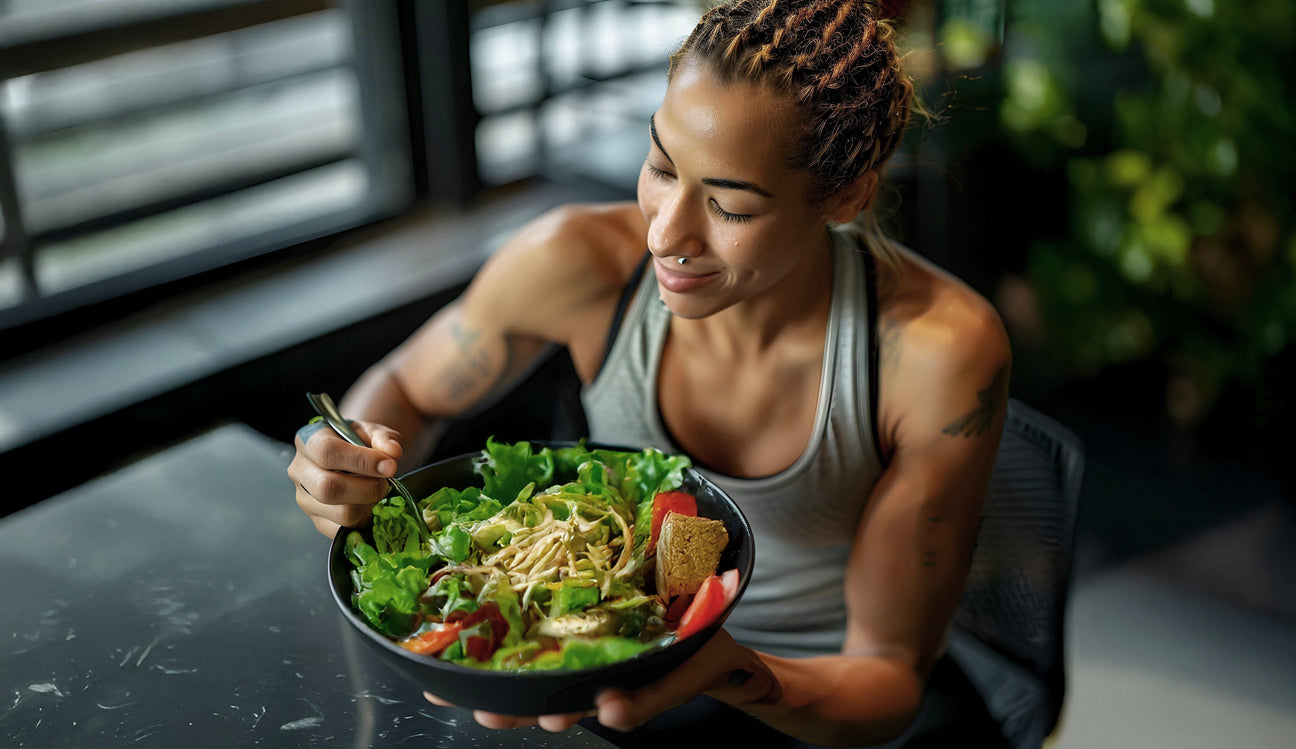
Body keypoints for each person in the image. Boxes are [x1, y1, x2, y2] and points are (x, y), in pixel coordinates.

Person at [289, 1, 1011, 745]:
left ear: (848, 195)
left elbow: (887, 679)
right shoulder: (573, 263)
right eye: (661, 166)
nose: (664, 234)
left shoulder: (936, 352)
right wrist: (343, 453)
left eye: (728, 206)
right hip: (613, 685)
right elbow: (404, 387)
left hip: (807, 697)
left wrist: (719, 665)